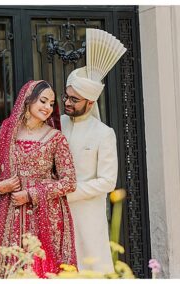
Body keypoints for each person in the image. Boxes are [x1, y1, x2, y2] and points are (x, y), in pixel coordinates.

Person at [0, 80, 77, 277]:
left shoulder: (56, 138)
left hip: (46, 215)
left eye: (51, 104)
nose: (48, 108)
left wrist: (31, 194)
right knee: (12, 268)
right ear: (28, 100)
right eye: (43, 101)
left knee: (41, 269)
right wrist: (1, 186)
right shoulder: (7, 131)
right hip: (11, 214)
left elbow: (70, 181)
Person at [62, 28, 127, 273]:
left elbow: (108, 181)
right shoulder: (57, 124)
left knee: (90, 268)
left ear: (90, 102)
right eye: (66, 97)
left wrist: (69, 192)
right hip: (57, 213)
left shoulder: (103, 133)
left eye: (74, 100)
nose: (67, 103)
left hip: (88, 215)